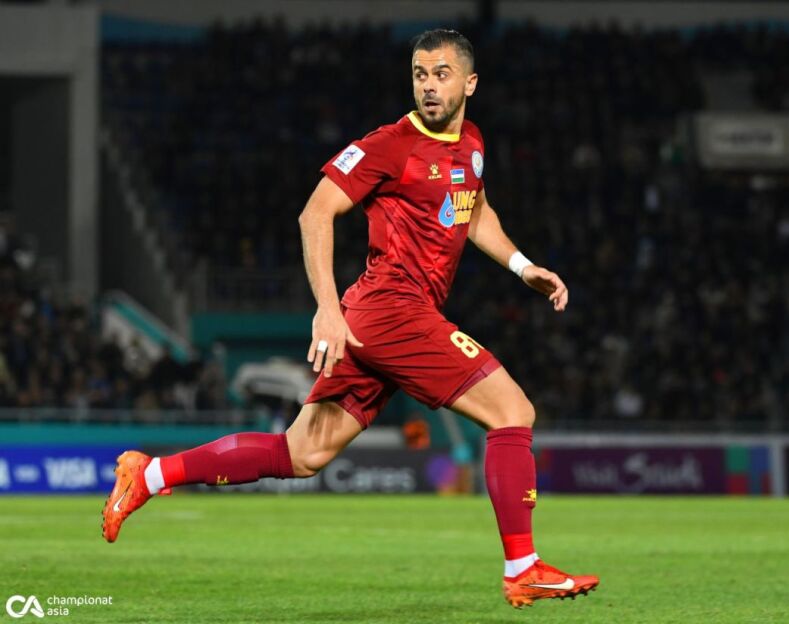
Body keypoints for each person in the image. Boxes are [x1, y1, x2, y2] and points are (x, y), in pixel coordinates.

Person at [101, 28, 599, 608]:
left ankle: (150, 475)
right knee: (512, 411)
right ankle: (523, 567)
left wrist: (521, 266)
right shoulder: (390, 145)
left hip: (385, 318)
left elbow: (474, 207)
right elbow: (315, 214)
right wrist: (327, 309)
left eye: (440, 74)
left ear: (470, 83)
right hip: (391, 310)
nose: (428, 86)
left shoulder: (472, 143)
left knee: (301, 454)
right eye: (419, 74)